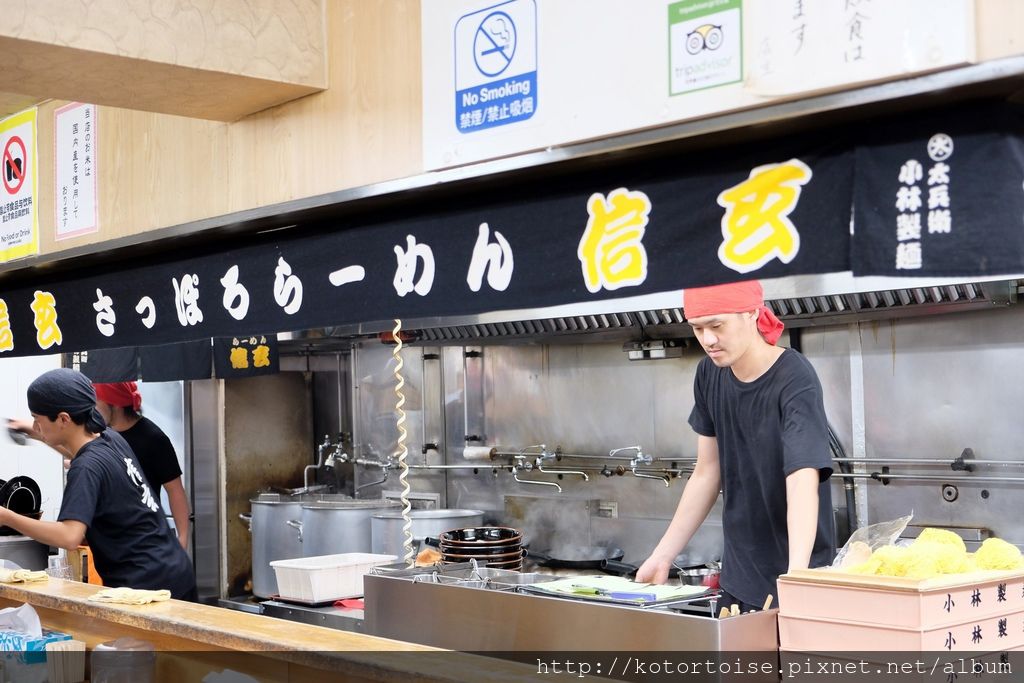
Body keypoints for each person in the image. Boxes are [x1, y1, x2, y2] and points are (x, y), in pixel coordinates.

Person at [635, 280, 835, 610]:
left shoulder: (794, 376)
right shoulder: (708, 375)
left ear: (751, 315)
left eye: (717, 325)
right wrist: (663, 555)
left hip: (798, 574)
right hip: (739, 578)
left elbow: (802, 478)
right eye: (698, 328)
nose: (708, 340)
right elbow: (707, 472)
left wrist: (797, 575)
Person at [1, 368, 196, 601]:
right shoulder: (110, 438)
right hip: (171, 570)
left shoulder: (86, 467)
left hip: (145, 587)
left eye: (37, 419)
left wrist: (6, 516)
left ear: (64, 419)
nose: (36, 425)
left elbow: (69, 536)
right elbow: (75, 448)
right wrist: (35, 433)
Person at [93, 382, 190, 549]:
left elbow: (175, 491)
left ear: (114, 403)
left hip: (146, 539)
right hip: (110, 540)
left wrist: (182, 538)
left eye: (97, 401)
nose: (93, 408)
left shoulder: (154, 439)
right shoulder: (102, 434)